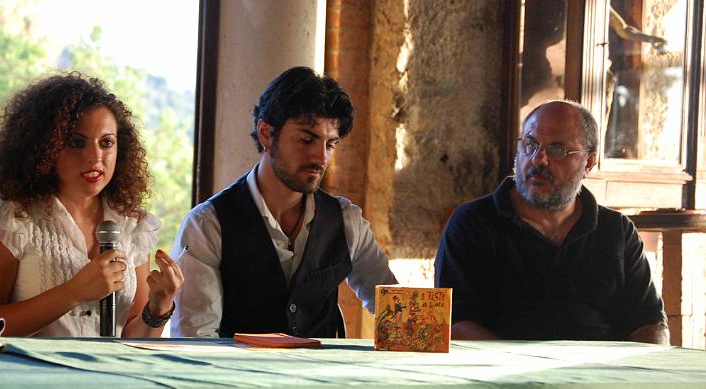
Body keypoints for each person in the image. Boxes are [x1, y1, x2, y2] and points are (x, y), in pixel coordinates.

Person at [170, 66, 396, 338]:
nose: (320, 158)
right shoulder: (207, 225)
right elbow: (196, 341)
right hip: (236, 368)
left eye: (330, 145)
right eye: (306, 140)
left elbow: (396, 310)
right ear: (266, 133)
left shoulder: (346, 220)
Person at [0, 73, 184, 337]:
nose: (95, 157)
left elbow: (131, 340)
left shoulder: (133, 224)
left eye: (106, 143)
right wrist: (73, 293)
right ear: (45, 147)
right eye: (77, 143)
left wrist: (158, 308)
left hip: (109, 366)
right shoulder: (7, 219)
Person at [434, 100, 669, 344]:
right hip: (500, 366)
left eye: (557, 149)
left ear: (589, 163)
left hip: (599, 365)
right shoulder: (472, 223)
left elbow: (650, 322)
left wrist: (646, 362)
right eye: (530, 145)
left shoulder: (617, 230)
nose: (538, 160)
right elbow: (454, 323)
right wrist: (524, 364)